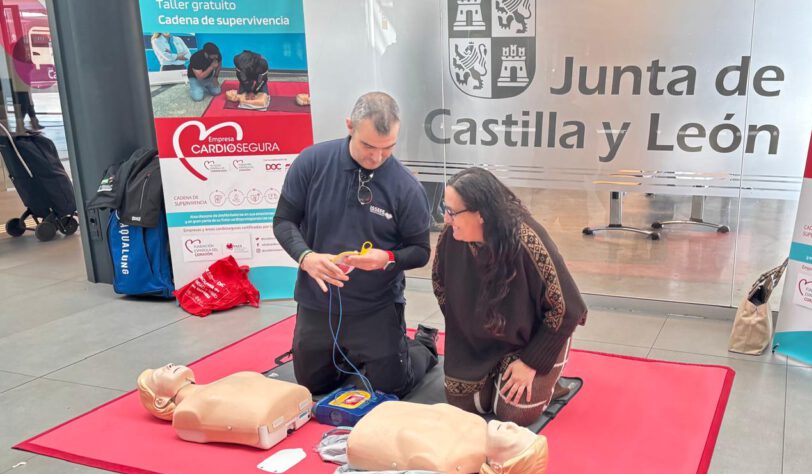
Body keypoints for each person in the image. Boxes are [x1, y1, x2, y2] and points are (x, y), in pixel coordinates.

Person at [273, 92, 437, 398]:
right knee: (313, 386)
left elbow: (420, 252)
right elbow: (283, 221)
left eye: (388, 148)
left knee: (391, 389)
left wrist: (386, 257)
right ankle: (355, 354)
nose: (377, 158)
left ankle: (421, 344)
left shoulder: (406, 187)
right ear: (350, 126)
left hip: (375, 305)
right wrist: (305, 257)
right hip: (317, 301)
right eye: (369, 146)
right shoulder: (312, 162)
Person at [432, 167, 587, 426]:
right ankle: (501, 374)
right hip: (479, 339)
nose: (446, 220)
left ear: (480, 214)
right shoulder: (452, 236)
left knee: (513, 413)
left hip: (532, 338)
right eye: (444, 209)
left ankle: (549, 375)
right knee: (463, 406)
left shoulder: (526, 238)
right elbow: (440, 284)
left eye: (452, 212)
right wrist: (469, 333)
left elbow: (567, 308)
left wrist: (530, 362)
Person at [316, 401, 549, 474]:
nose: (512, 426)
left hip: (364, 438)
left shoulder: (448, 463)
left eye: (515, 438)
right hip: (381, 415)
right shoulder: (476, 423)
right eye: (520, 428)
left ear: (498, 467)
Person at [137, 364, 313, 449]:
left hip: (290, 405)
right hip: (277, 414)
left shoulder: (237, 376)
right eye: (159, 373)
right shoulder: (188, 411)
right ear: (159, 401)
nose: (168, 365)